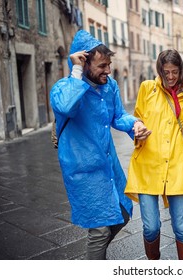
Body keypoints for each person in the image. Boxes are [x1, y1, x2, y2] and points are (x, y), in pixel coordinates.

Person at [49, 30, 151, 260]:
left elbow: (118, 116)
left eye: (109, 65)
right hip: (83, 169)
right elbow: (65, 107)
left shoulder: (110, 86)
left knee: (123, 212)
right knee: (99, 230)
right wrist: (76, 70)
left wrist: (135, 124)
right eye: (102, 66)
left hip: (109, 164)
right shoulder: (64, 88)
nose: (108, 70)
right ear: (84, 64)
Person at [125, 49, 183, 260]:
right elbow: (137, 119)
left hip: (176, 166)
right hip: (148, 164)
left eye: (174, 71)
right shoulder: (147, 88)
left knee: (182, 228)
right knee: (150, 227)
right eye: (166, 72)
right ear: (160, 70)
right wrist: (137, 131)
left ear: (181, 70)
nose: (170, 77)